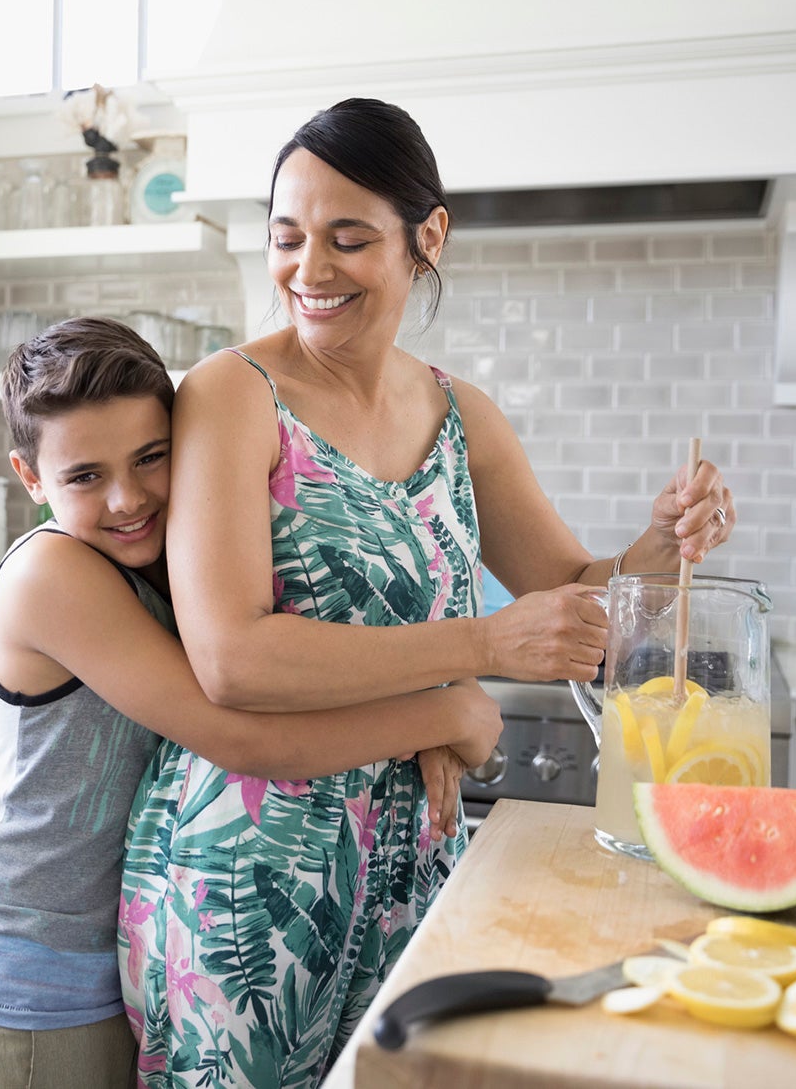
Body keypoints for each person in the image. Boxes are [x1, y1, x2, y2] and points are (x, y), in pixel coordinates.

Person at [118, 97, 736, 1087]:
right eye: (287, 237)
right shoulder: (231, 395)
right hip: (244, 879)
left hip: (412, 863)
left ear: (427, 238)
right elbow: (233, 657)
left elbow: (577, 593)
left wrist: (663, 541)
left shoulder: (460, 414)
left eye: (348, 239)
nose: (308, 270)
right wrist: (475, 655)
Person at [0, 316, 506, 1089]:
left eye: (150, 457)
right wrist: (446, 712)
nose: (127, 498)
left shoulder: (155, 560)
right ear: (30, 477)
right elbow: (239, 734)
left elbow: (298, 673)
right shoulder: (52, 574)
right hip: (18, 991)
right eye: (84, 476)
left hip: (93, 974)